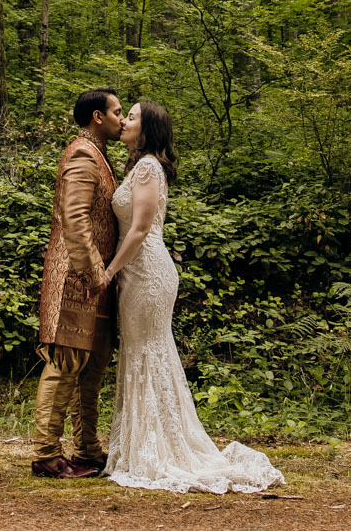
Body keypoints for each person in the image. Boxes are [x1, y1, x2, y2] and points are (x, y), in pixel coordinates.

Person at [98, 101, 284, 493]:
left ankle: (159, 449)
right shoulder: (139, 166)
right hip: (137, 272)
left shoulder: (148, 166)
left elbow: (141, 229)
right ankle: (141, 445)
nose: (124, 121)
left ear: (146, 128)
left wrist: (109, 272)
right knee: (142, 352)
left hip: (147, 273)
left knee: (149, 352)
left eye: (131, 117)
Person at [31, 88, 123, 478]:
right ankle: (47, 453)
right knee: (64, 363)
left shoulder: (99, 154)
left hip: (96, 282)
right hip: (76, 279)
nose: (122, 119)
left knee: (93, 367)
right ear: (98, 117)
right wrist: (93, 273)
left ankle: (87, 448)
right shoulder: (83, 154)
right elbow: (76, 219)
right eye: (117, 112)